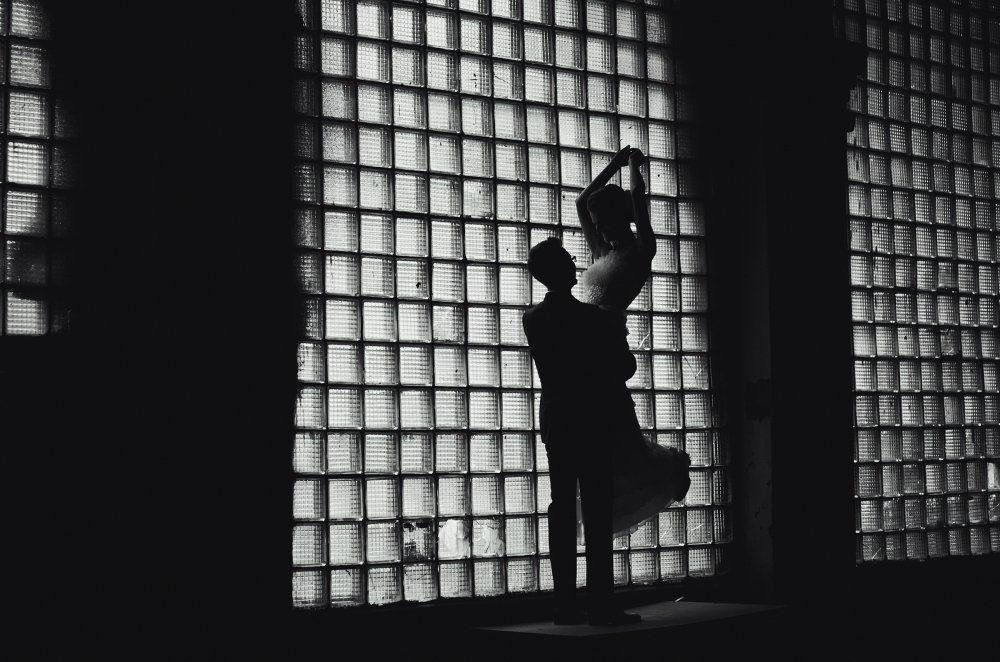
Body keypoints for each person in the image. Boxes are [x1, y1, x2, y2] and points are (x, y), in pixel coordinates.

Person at [522, 237, 642, 627]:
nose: (575, 261)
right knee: (596, 508)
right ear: (561, 268)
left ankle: (565, 606)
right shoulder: (595, 319)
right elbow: (623, 369)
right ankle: (601, 604)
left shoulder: (532, 318)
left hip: (558, 421)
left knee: (561, 508)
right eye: (568, 257)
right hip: (592, 422)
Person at [576, 145, 692, 538]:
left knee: (614, 431)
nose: (600, 231)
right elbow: (581, 202)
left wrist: (631, 166)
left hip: (608, 346)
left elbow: (638, 199)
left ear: (621, 218)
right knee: (605, 431)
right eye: (597, 225)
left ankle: (658, 478)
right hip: (589, 349)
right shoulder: (601, 250)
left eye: (606, 223)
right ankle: (611, 494)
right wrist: (613, 163)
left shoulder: (642, 251)